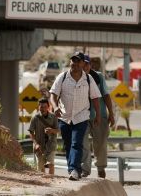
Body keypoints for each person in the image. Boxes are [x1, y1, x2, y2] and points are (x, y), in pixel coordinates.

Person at [49, 52, 102, 181]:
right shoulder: (62, 77)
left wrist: (98, 115)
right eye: (73, 61)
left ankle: (74, 170)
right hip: (64, 117)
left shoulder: (88, 79)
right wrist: (55, 107)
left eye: (78, 61)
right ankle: (72, 169)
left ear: (83, 64)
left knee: (76, 144)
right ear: (70, 62)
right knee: (68, 145)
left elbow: (95, 98)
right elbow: (53, 95)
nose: (75, 64)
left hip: (81, 116)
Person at [81, 54, 115, 179]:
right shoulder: (75, 77)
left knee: (100, 143)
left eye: (86, 64)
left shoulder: (98, 76)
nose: (84, 67)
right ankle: (85, 169)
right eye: (82, 64)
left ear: (90, 65)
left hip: (99, 116)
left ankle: (100, 168)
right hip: (82, 117)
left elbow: (106, 95)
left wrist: (111, 113)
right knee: (82, 143)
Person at [28, 98, 59, 175]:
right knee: (41, 167)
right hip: (39, 146)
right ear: (38, 107)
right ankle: (44, 182)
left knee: (50, 164)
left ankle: (52, 180)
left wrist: (51, 130)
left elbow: (58, 130)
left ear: (48, 107)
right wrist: (36, 144)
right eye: (41, 107)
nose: (43, 109)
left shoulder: (54, 117)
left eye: (45, 107)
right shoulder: (35, 118)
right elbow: (31, 132)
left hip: (51, 145)